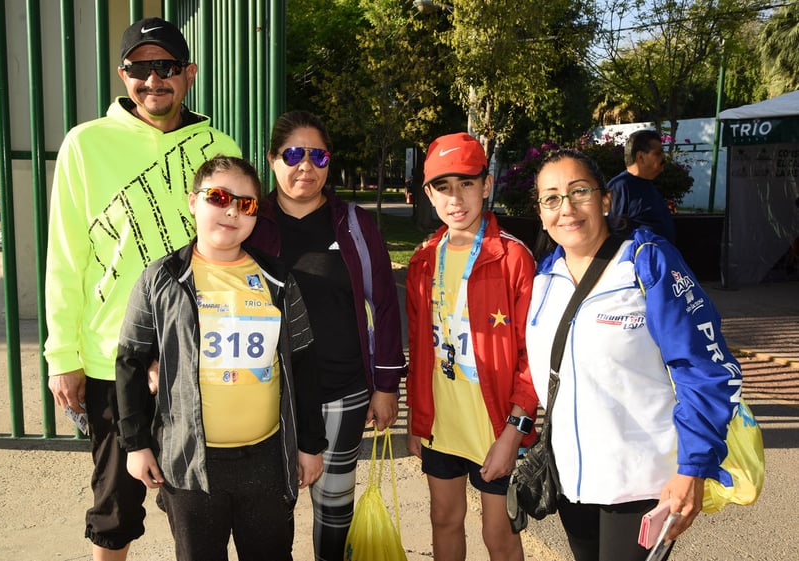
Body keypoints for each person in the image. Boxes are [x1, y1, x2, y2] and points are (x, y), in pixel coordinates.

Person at [43, 17, 240, 561]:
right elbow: (65, 257)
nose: (153, 80)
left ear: (189, 74)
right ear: (123, 73)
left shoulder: (218, 145)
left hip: (197, 356)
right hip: (112, 361)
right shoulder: (85, 145)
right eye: (140, 68)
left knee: (196, 509)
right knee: (116, 512)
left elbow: (234, 244)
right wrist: (63, 355)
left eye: (167, 67)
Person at [525, 149, 740, 561]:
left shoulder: (647, 263)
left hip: (645, 483)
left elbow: (705, 369)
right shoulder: (544, 279)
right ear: (540, 211)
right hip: (573, 483)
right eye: (551, 198)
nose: (565, 208)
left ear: (605, 201)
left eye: (579, 192)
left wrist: (692, 469)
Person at [114, 155, 325, 561]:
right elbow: (130, 362)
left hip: (265, 459)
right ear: (194, 202)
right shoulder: (159, 278)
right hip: (190, 463)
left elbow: (303, 363)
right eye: (218, 197)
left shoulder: (278, 279)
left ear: (255, 215)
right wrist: (135, 444)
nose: (231, 210)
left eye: (245, 203)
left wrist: (310, 445)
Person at [245, 110, 407, 561]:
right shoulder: (251, 224)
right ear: (273, 159)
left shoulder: (353, 225)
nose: (306, 166)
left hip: (344, 391)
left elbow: (385, 305)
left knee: (334, 510)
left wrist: (386, 386)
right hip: (269, 396)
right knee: (271, 512)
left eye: (318, 155)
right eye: (294, 153)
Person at [405, 132, 538, 561]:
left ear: (487, 184)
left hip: (494, 427)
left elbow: (531, 357)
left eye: (466, 182)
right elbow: (418, 344)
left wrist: (512, 433)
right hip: (442, 425)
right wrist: (416, 418)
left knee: (499, 535)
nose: (455, 197)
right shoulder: (423, 259)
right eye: (442, 186)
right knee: (444, 520)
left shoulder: (514, 258)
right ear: (428, 193)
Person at [607, 129, 676, 243]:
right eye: (658, 153)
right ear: (640, 157)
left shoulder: (648, 184)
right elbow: (613, 232)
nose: (664, 158)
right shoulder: (620, 187)